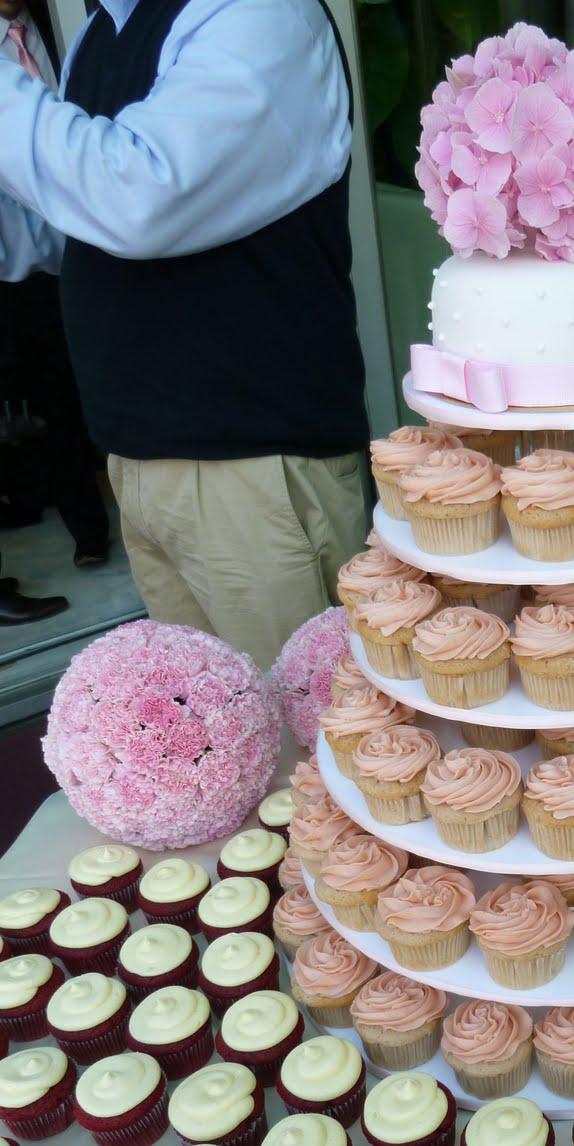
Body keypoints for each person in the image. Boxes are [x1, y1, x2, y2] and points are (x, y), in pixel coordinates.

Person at [0, 0, 369, 668]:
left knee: (310, 755)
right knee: (213, 755)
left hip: (251, 470)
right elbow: (73, 230)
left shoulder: (260, 14)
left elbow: (140, 197)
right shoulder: (102, 32)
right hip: (140, 460)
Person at [0, 0, 110, 569]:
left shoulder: (69, 26)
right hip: (10, 269)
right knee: (39, 402)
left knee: (68, 396)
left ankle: (90, 529)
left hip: (76, 256)